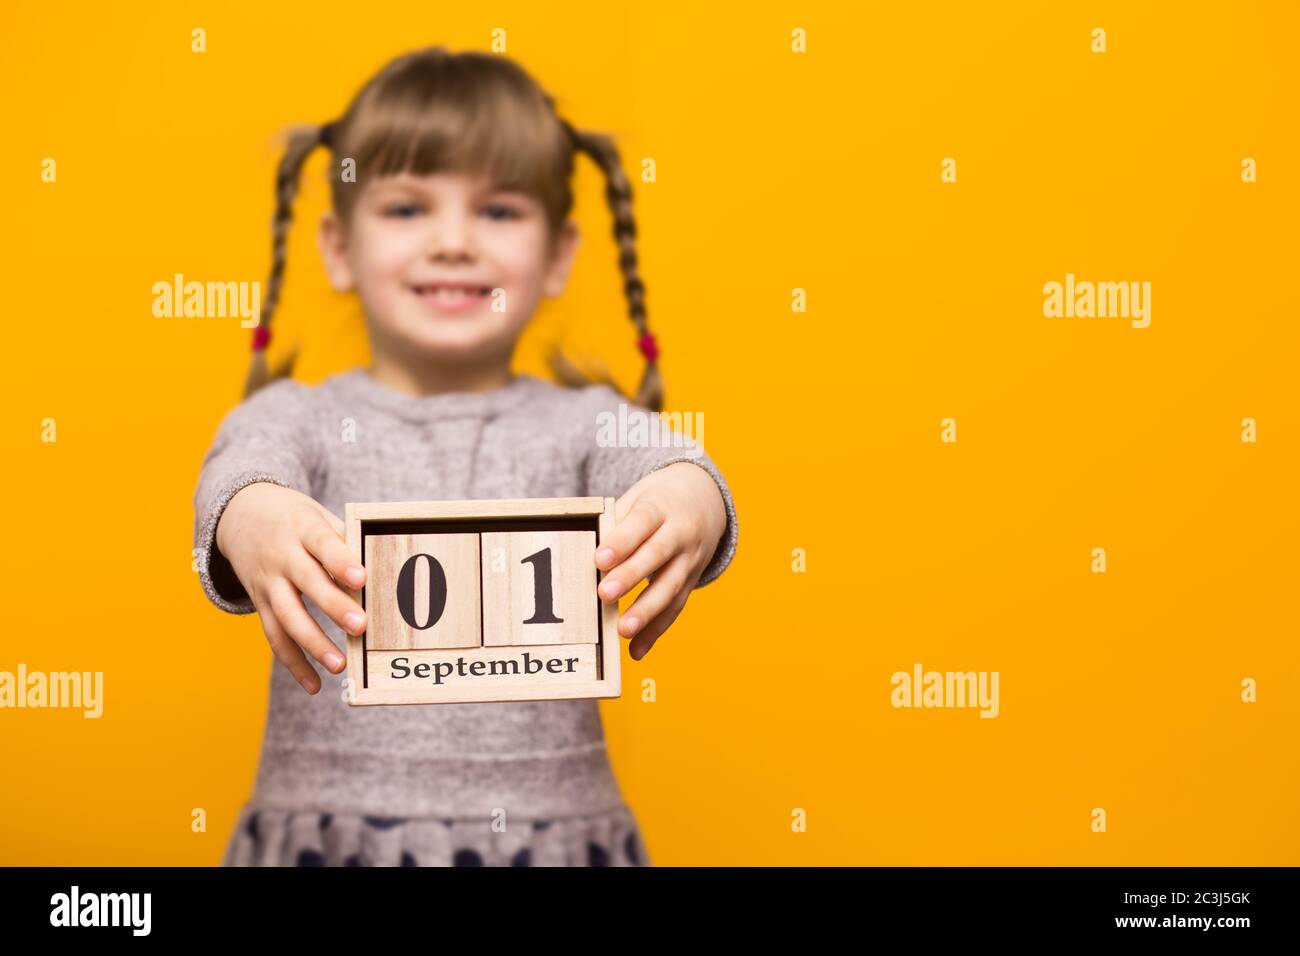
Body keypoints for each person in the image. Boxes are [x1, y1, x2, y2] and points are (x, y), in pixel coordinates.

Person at [193, 46, 739, 866]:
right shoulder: (299, 416)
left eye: (500, 211)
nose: (453, 243)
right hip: (329, 835)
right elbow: (243, 469)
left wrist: (689, 500)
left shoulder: (586, 423)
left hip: (551, 836)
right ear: (338, 247)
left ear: (559, 256)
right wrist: (254, 514)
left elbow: (665, 462)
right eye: (408, 209)